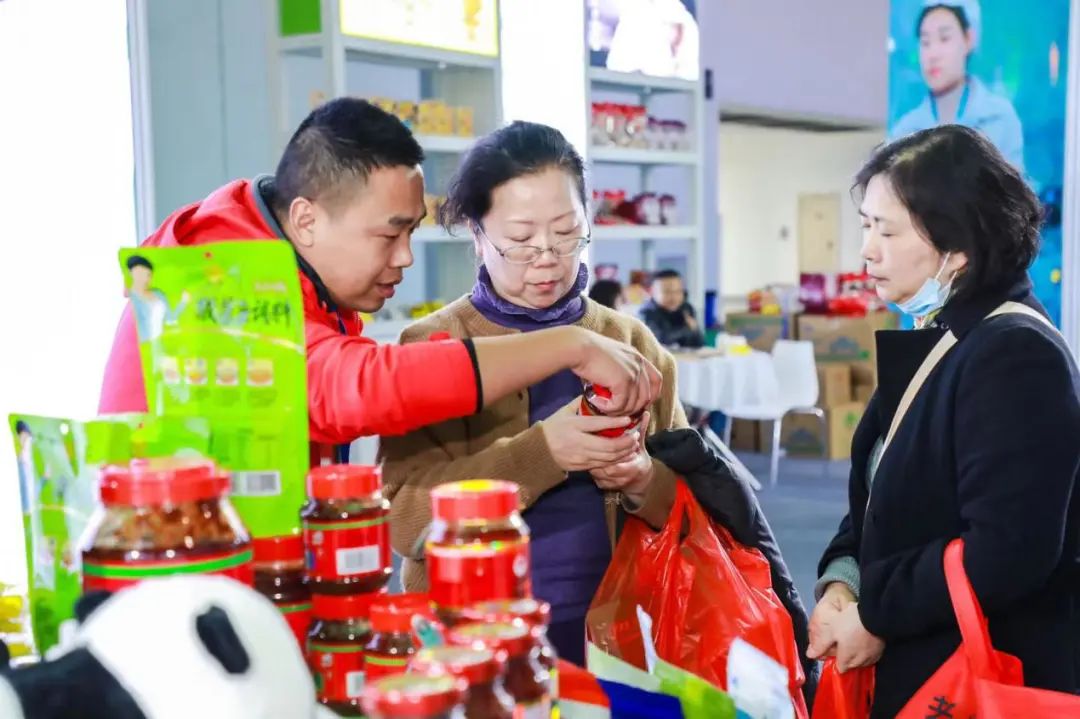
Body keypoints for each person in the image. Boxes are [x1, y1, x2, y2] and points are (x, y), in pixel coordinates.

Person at [99, 99, 662, 461]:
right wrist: (569, 346)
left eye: (411, 232)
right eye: (389, 234)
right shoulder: (215, 277)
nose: (405, 258)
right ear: (306, 220)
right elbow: (350, 388)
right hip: (181, 589)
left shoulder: (294, 275)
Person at [380, 121, 687, 665]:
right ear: (478, 235)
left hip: (620, 639)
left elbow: (689, 508)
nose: (546, 257)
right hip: (474, 646)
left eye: (567, 233)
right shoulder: (433, 345)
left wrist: (642, 479)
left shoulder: (631, 341)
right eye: (521, 240)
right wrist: (543, 453)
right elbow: (404, 520)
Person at [807, 125, 1080, 717]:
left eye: (887, 231)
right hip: (922, 661)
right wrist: (843, 581)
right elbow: (882, 500)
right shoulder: (943, 335)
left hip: (976, 675)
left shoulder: (1014, 353)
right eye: (865, 226)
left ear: (958, 247)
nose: (867, 250)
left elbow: (1009, 550)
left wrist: (877, 614)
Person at [890, 0, 1025, 172]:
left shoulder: (999, 117)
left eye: (944, 38)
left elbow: (1014, 186)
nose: (933, 54)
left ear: (968, 39)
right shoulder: (905, 131)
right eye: (925, 42)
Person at [639, 269, 704, 349]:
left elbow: (699, 343)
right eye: (667, 292)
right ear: (652, 292)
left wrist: (693, 331)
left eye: (678, 291)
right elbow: (660, 340)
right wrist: (688, 329)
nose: (674, 297)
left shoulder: (686, 308)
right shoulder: (646, 313)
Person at [125, 255, 171, 342]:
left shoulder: (158, 294)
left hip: (160, 342)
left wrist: (183, 301)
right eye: (139, 274)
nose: (145, 278)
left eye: (148, 275)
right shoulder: (132, 297)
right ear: (131, 273)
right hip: (142, 343)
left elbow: (171, 318)